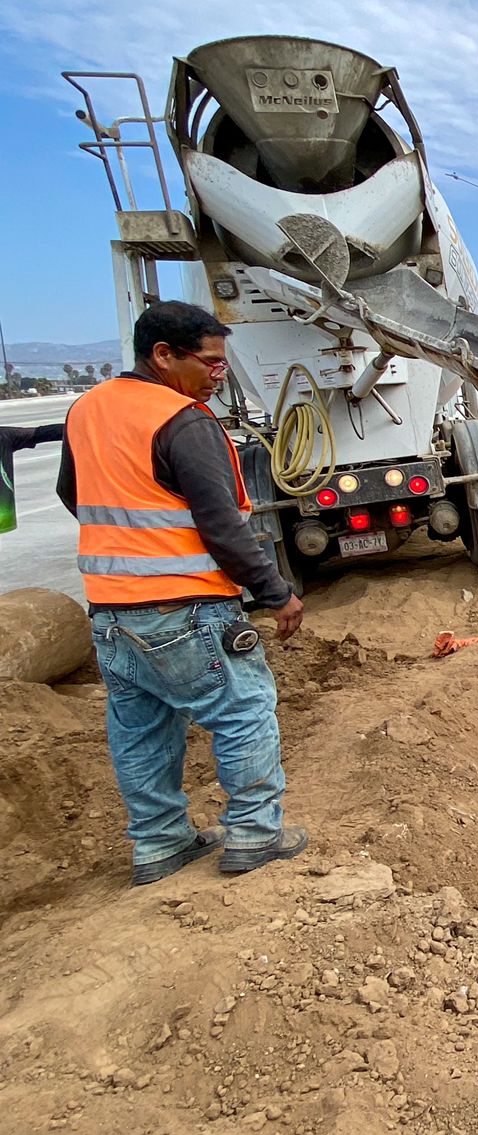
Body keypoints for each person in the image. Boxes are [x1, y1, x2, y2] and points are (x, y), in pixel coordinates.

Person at [57, 301, 307, 886]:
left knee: (140, 728)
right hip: (187, 607)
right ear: (163, 355)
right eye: (211, 362)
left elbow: (76, 494)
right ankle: (254, 834)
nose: (220, 374)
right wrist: (275, 593)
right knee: (243, 712)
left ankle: (159, 844)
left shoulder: (86, 411)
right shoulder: (183, 421)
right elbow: (223, 526)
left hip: (112, 615)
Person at [1, 423, 66, 535]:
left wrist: (78, 427)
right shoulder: (3, 436)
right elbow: (41, 433)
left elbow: (42, 433)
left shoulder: (3, 436)